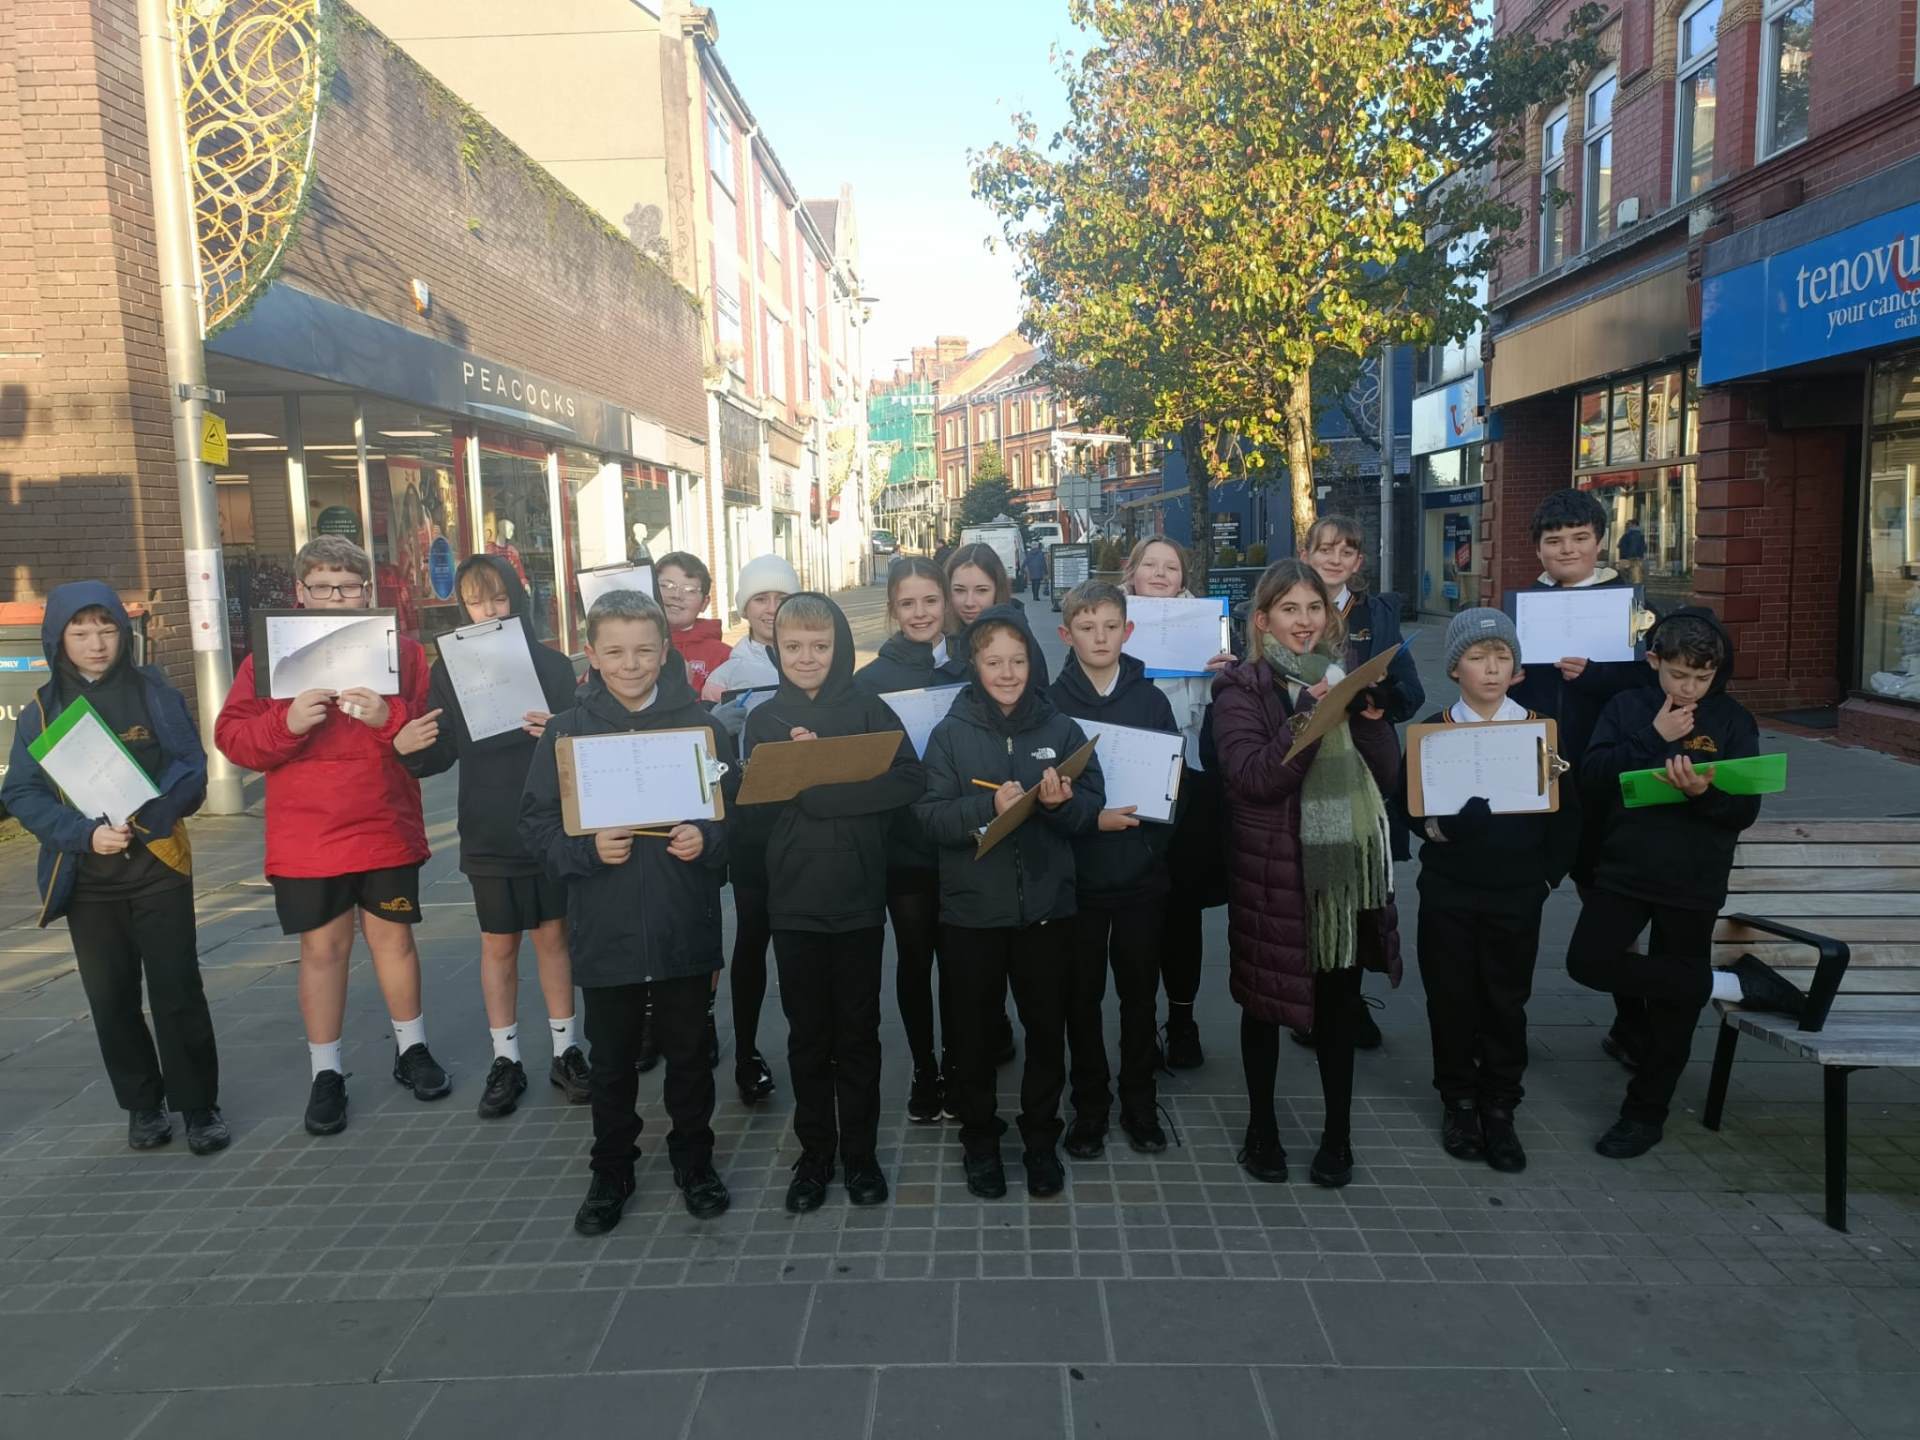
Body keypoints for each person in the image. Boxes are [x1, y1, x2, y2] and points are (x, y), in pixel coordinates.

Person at [216, 536, 446, 1137]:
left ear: (368, 591)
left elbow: (430, 732)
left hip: (383, 820)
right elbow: (233, 738)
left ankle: (412, 1048)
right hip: (307, 832)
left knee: (394, 942)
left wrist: (389, 719)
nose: (337, 598)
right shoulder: (269, 659)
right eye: (323, 587)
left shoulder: (404, 654)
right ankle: (326, 1071)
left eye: (348, 587)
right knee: (322, 950)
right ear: (301, 592)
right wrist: (286, 722)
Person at [519, 590, 734, 1232]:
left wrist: (708, 838)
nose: (631, 664)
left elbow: (737, 815)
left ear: (665, 651)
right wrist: (584, 851)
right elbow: (537, 825)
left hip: (680, 922)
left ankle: (695, 1160)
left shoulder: (702, 726)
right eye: (615, 652)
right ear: (591, 654)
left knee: (689, 1056)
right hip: (605, 927)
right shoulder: (566, 732)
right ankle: (611, 1169)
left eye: (643, 650)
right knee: (611, 1063)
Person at [1566, 607, 1803, 1160]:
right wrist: (1652, 737)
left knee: (1673, 1010)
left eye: (1702, 677)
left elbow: (1743, 811)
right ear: (1654, 661)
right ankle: (1732, 984)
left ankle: (1644, 1114)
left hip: (1694, 877)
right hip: (1625, 868)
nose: (1690, 688)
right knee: (1588, 962)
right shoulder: (1628, 707)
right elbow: (1592, 778)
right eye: (1679, 675)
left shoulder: (1733, 720)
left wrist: (1702, 794)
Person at [2, 582, 226, 1155]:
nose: (96, 644)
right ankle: (143, 1105)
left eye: (106, 630)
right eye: (80, 632)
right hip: (88, 880)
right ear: (58, 639)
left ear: (123, 635)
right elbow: (22, 792)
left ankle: (199, 1105)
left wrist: (155, 810)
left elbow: (190, 766)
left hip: (158, 865)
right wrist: (84, 835)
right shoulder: (41, 712)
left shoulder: (154, 692)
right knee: (111, 998)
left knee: (178, 989)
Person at [1212, 559, 1402, 1188]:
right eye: (1289, 609)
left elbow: (1385, 775)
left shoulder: (1341, 677)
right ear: (1262, 620)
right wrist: (1310, 717)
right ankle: (1261, 1129)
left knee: (1339, 1008)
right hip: (1271, 875)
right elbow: (1253, 778)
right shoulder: (1240, 689)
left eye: (1314, 608)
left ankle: (1337, 1135)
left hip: (1341, 875)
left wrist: (1370, 721)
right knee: (1264, 1005)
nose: (1304, 621)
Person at [741, 594, 924, 1211]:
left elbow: (909, 779)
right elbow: (752, 814)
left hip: (858, 898)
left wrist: (828, 787)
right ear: (776, 650)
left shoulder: (868, 708)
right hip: (793, 901)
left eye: (819, 646)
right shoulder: (764, 719)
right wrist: (792, 770)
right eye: (793, 647)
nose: (806, 658)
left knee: (859, 1032)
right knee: (807, 1035)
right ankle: (816, 1152)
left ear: (839, 646)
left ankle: (861, 1154)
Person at [915, 605, 1105, 1199]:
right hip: (971, 914)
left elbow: (1091, 806)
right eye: (994, 661)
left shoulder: (1061, 729)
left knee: (1046, 1031)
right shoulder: (950, 734)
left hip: (1047, 910)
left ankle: (1041, 1139)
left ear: (1033, 662)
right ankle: (980, 1141)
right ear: (974, 665)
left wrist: (1060, 805)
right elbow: (929, 816)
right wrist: (985, 808)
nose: (1007, 673)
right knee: (972, 1037)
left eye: (1017, 661)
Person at [393, 556, 587, 1119]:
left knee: (554, 937)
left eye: (499, 599)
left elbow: (581, 743)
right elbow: (441, 749)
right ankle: (506, 1058)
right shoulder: (450, 670)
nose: (489, 612)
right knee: (498, 944)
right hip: (488, 825)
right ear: (462, 607)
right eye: (477, 602)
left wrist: (559, 732)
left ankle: (566, 1050)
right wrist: (408, 749)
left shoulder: (552, 665)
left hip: (549, 822)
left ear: (518, 597)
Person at [1409, 609, 1579, 1173]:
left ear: (1516, 668)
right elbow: (1410, 811)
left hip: (1516, 894)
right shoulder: (1433, 731)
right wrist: (1444, 829)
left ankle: (1500, 1106)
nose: (1490, 669)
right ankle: (1459, 1101)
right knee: (1451, 997)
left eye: (1502, 657)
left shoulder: (1541, 731)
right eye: (1477, 657)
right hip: (1449, 892)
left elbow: (1569, 814)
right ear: (1454, 668)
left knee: (1505, 1001)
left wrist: (1547, 877)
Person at [1506, 489, 1660, 1070]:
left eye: (1579, 538)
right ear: (1537, 548)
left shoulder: (1635, 610)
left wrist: (1596, 677)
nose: (1567, 550)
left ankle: (1632, 1022)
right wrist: (1505, 675)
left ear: (1600, 541)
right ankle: (1505, 1024)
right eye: (1554, 541)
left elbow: (1655, 688)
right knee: (1519, 905)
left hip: (1603, 781)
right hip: (1534, 776)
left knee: (1610, 906)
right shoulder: (1519, 609)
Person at [1048, 581, 1178, 1156]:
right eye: (1086, 627)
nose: (1099, 638)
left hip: (1140, 879)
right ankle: (1090, 1105)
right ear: (1066, 634)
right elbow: (1045, 795)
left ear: (1128, 631)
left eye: (1109, 627)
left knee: (1139, 995)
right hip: (1077, 880)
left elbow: (1174, 784)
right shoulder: (1051, 704)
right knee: (1080, 997)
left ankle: (1140, 1101)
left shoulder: (1151, 701)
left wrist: (1151, 849)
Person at [1296, 514, 1425, 1053]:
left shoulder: (1378, 615)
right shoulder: (1288, 605)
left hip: (1365, 767)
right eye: (1325, 549)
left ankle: (1349, 999)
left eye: (1345, 551)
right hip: (1305, 765)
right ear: (1305, 554)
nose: (1334, 559)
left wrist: (1380, 701)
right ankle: (1312, 1002)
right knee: (1309, 886)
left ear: (1358, 562)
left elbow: (1412, 692)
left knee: (1361, 891)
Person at [852, 556, 970, 1122]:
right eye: (907, 603)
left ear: (945, 602)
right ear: (892, 609)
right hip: (904, 843)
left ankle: (961, 1063)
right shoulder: (871, 681)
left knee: (963, 964)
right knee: (916, 959)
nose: (920, 613)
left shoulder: (971, 665)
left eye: (930, 601)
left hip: (965, 835)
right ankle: (926, 1068)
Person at [1120, 537, 1232, 1069]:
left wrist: (1225, 678)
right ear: (1133, 572)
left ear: (1184, 575)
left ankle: (1182, 1019)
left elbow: (1221, 717)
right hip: (1133, 781)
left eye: (1172, 566)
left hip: (1194, 782)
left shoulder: (1206, 627)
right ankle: (1139, 1023)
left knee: (1183, 909)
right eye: (1151, 564)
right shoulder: (1111, 622)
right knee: (1139, 910)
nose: (1161, 573)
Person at [699, 552, 800, 1100]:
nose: (771, 608)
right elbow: (704, 762)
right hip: (752, 829)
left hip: (806, 828)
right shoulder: (725, 676)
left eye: (781, 597)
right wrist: (719, 730)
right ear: (744, 607)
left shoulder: (813, 656)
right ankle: (746, 1053)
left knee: (802, 943)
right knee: (753, 939)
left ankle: (813, 1043)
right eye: (760, 598)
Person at [942, 542, 1020, 1065]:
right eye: (960, 590)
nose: (970, 602)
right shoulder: (942, 650)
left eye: (981, 590)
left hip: (1004, 822)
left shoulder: (1015, 646)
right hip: (950, 814)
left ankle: (994, 1026)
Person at [655, 551, 732, 694]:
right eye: (667, 586)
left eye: (690, 590)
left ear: (705, 603)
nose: (677, 595)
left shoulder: (724, 657)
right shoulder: (633, 646)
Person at [1617, 515, 1647, 585]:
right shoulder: (1640, 535)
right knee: (1636, 580)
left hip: (1628, 559)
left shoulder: (1629, 535)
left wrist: (1627, 556)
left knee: (1627, 580)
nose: (1627, 525)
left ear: (1634, 525)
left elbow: (1622, 546)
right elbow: (1643, 547)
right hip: (1636, 559)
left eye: (1629, 524)